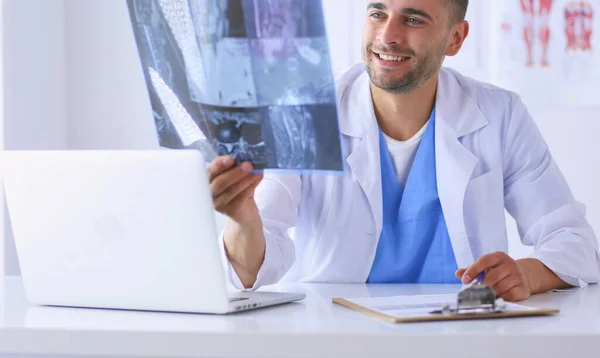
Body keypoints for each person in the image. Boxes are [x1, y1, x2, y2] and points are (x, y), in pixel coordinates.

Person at [208, 0, 600, 301]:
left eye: (413, 19)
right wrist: (243, 219)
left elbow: (575, 243)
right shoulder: (304, 114)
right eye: (378, 13)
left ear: (455, 38)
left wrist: (524, 274)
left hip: (466, 335)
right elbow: (251, 273)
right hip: (333, 334)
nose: (387, 36)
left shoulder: (500, 114)